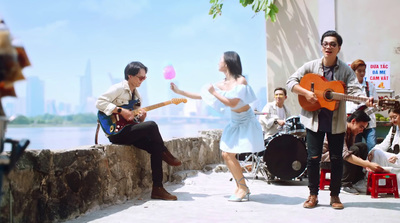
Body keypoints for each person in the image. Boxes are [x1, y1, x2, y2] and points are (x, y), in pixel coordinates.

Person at [286, 30, 374, 209]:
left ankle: (335, 196)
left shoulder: (345, 70)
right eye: (325, 43)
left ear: (339, 48)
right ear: (321, 46)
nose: (328, 47)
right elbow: (291, 81)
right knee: (313, 159)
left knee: (336, 159)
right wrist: (307, 93)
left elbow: (355, 89)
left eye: (333, 44)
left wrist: (366, 99)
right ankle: (312, 195)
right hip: (314, 120)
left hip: (336, 122)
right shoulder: (311, 66)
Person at [170, 51, 264, 202]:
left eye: (220, 59)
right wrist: (179, 91)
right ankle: (241, 187)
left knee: (228, 154)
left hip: (246, 121)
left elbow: (232, 103)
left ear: (227, 63)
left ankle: (243, 188)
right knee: (226, 154)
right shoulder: (220, 84)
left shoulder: (241, 81)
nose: (218, 62)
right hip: (235, 121)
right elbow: (200, 96)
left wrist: (214, 92)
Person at [96, 61, 182, 201]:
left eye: (144, 78)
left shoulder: (137, 97)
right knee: (152, 125)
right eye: (140, 77)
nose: (142, 80)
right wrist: (120, 110)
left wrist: (141, 118)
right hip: (116, 133)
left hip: (129, 131)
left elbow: (134, 121)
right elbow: (99, 102)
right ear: (130, 76)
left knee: (155, 147)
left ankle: (158, 189)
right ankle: (166, 154)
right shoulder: (118, 88)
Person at [320, 110, 383, 194]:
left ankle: (357, 181)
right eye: (361, 127)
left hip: (340, 156)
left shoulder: (352, 132)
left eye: (364, 128)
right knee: (354, 150)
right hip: (328, 158)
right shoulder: (341, 130)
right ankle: (344, 184)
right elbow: (345, 154)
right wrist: (367, 164)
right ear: (353, 121)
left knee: (362, 146)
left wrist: (366, 161)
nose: (362, 130)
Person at [347, 59, 378, 151]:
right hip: (354, 121)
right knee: (355, 147)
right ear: (353, 71)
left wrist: (373, 106)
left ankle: (371, 164)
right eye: (359, 71)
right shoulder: (348, 86)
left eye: (364, 71)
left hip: (368, 122)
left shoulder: (370, 86)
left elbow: (375, 103)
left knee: (372, 146)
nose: (362, 73)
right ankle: (357, 164)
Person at [368, 108, 400, 192]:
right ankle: (376, 183)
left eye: (395, 117)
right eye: (391, 118)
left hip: (398, 158)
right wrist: (372, 150)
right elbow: (384, 145)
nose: (392, 120)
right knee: (375, 152)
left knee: (377, 153)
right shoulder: (394, 129)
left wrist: (397, 157)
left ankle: (377, 184)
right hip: (394, 158)